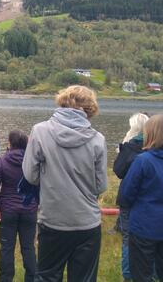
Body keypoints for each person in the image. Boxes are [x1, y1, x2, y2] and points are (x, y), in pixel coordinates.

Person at [23, 85, 107, 282]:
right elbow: (100, 185)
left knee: (47, 276)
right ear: (90, 108)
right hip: (87, 222)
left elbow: (30, 175)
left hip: (53, 220)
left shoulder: (40, 131)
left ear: (62, 101)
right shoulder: (97, 139)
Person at [120, 114, 163, 282]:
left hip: (143, 226)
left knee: (141, 274)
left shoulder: (142, 160)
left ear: (150, 133)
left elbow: (126, 194)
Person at [0, 130, 37, 282]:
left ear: (10, 144)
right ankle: (32, 277)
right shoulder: (33, 162)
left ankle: (5, 278)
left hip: (8, 209)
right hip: (29, 209)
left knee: (7, 248)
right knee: (28, 247)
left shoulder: (1, 161)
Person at [113, 112, 149, 281]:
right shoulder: (155, 146)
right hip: (149, 198)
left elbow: (118, 171)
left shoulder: (129, 146)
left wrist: (123, 149)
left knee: (128, 237)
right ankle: (150, 274)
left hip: (129, 197)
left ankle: (128, 275)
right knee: (150, 237)